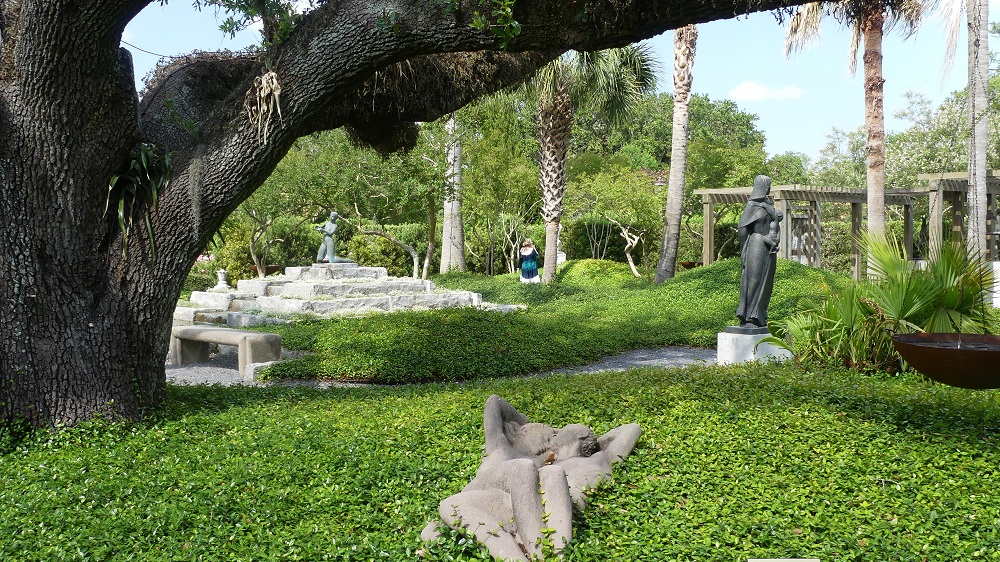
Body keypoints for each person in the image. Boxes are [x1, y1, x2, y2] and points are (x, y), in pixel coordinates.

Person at [424, 395, 641, 561]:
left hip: (551, 510)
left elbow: (631, 428)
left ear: (580, 434)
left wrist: (592, 442)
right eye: (552, 432)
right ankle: (534, 553)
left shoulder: (598, 459)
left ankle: (545, 554)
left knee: (550, 474)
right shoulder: (509, 452)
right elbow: (494, 402)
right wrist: (527, 424)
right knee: (527, 468)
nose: (553, 435)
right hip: (509, 502)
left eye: (557, 432)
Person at [736, 175, 783, 328]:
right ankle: (747, 315)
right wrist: (744, 248)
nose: (769, 188)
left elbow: (775, 224)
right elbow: (742, 228)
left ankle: (759, 316)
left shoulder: (768, 204)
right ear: (764, 187)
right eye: (768, 186)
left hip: (768, 247)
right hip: (756, 243)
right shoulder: (753, 205)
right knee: (754, 280)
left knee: (766, 281)